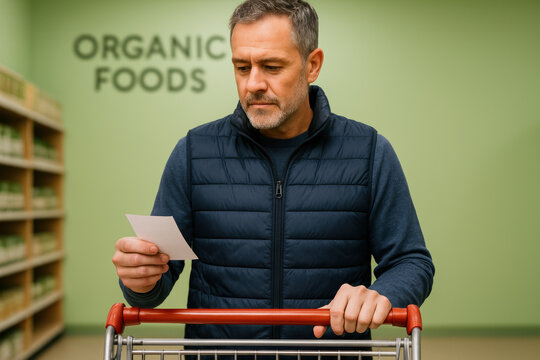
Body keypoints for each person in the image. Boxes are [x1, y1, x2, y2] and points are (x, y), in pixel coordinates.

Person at [112, 0, 434, 342]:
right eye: (241, 67)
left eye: (272, 66)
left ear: (312, 65)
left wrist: (380, 295)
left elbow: (411, 261)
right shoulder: (193, 152)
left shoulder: (369, 152)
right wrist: (140, 280)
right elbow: (156, 279)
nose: (253, 84)